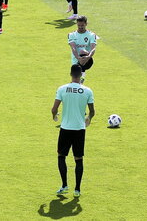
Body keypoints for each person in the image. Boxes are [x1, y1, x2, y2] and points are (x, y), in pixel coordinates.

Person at [51, 65, 95, 197]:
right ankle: (77, 190)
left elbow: (54, 109)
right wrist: (89, 118)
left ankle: (64, 185)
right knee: (78, 159)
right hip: (79, 129)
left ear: (70, 74)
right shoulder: (87, 91)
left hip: (65, 128)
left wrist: (55, 116)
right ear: (81, 76)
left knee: (61, 156)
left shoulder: (62, 89)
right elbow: (92, 111)